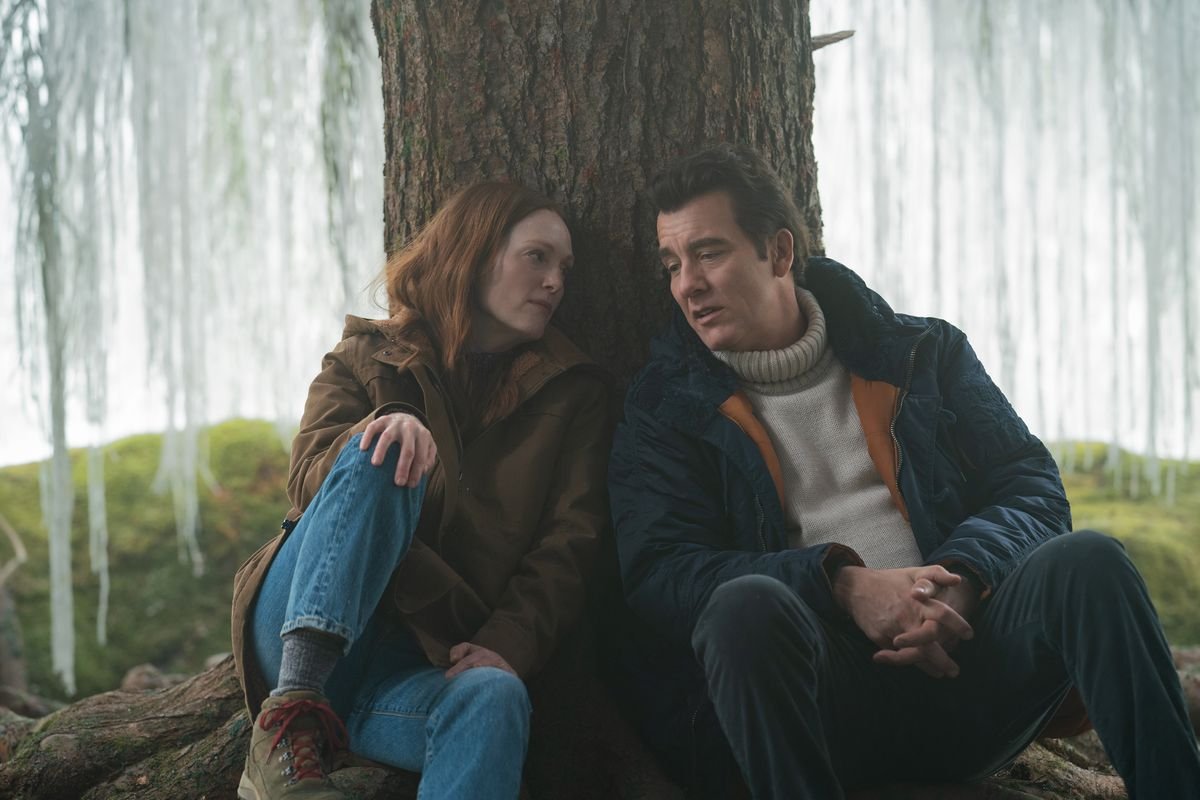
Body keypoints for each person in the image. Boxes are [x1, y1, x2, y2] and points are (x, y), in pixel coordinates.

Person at [607, 143, 1200, 799]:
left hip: (970, 663)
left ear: (777, 253)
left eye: (708, 253)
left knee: (1091, 560)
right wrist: (842, 583)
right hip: (823, 704)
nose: (686, 283)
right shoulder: (665, 409)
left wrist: (963, 580)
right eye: (672, 264)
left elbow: (1030, 486)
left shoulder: (923, 352)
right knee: (740, 609)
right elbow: (661, 571)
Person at [230, 181, 611, 800]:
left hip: (417, 666)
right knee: (383, 450)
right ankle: (286, 724)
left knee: (494, 695)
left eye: (564, 267)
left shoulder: (575, 395)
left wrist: (507, 644)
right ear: (474, 252)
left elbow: (569, 542)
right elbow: (305, 485)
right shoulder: (364, 355)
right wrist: (380, 431)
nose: (555, 282)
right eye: (536, 257)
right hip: (296, 624)